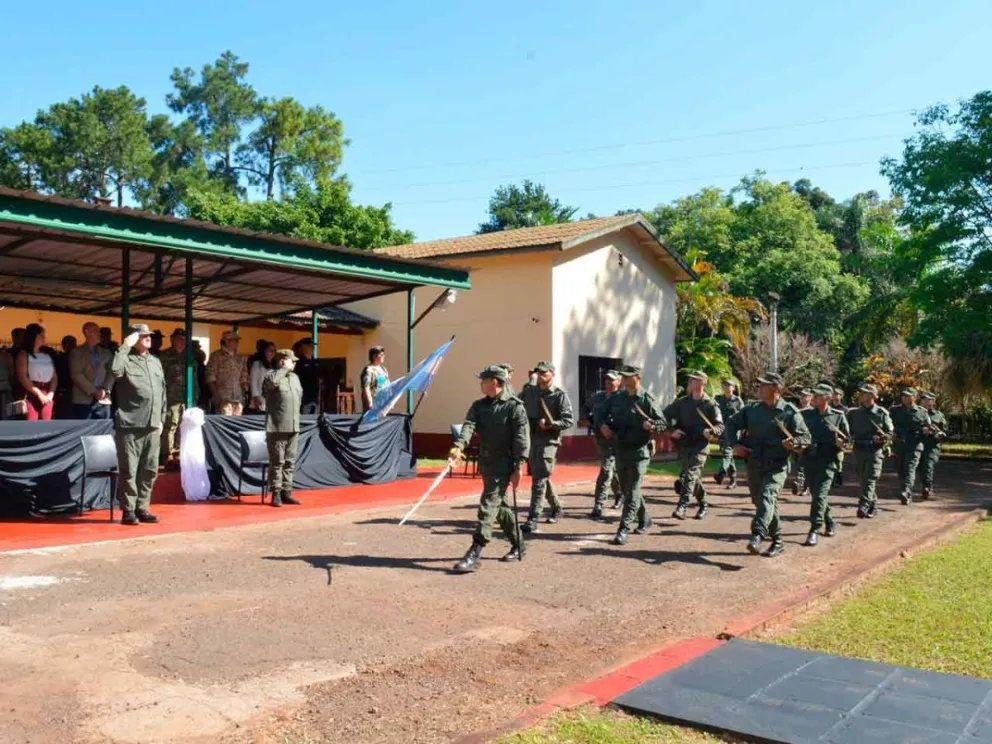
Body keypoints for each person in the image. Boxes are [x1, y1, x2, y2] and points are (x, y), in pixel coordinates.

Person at [449, 365, 530, 572]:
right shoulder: (479, 406)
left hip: (505, 464)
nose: (480, 383)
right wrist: (459, 446)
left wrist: (519, 467)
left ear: (495, 381)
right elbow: (469, 425)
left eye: (484, 379)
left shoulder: (514, 407)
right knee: (501, 507)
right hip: (487, 464)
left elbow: (521, 439)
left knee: (488, 505)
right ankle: (519, 542)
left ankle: (475, 551)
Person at [725, 372, 811, 557]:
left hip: (777, 465)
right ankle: (778, 540)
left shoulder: (789, 412)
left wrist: (794, 443)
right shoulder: (751, 409)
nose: (759, 388)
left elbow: (805, 437)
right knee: (762, 502)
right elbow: (731, 424)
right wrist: (735, 444)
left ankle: (757, 536)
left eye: (763, 385)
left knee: (767, 496)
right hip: (754, 463)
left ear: (775, 388)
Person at [111, 324, 167, 525]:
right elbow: (115, 370)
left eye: (149, 336)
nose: (148, 338)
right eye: (143, 336)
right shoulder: (125, 359)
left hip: (152, 424)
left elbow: (162, 392)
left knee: (150, 469)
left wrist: (161, 418)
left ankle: (142, 507)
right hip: (131, 424)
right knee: (129, 470)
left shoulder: (155, 362)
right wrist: (125, 346)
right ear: (133, 339)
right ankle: (128, 510)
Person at [606, 365, 666, 546]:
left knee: (631, 492)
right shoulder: (617, 398)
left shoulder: (647, 399)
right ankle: (645, 518)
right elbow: (602, 411)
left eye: (627, 376)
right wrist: (602, 425)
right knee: (626, 490)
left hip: (640, 452)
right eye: (622, 376)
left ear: (637, 377)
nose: (623, 379)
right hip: (621, 450)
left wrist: (653, 426)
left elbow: (662, 422)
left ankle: (623, 529)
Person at [520, 361, 574, 533]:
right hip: (531, 439)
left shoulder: (559, 395)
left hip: (548, 440)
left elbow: (568, 420)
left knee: (539, 479)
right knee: (539, 475)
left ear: (552, 374)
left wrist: (551, 424)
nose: (541, 376)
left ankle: (533, 517)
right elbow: (516, 405)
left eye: (544, 373)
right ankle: (557, 508)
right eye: (539, 373)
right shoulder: (529, 391)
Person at [665, 371, 724, 520]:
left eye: (693, 380)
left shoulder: (710, 404)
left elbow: (719, 426)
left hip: (700, 446)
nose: (689, 382)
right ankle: (703, 503)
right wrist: (672, 431)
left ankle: (682, 506)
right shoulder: (682, 402)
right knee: (691, 478)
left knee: (690, 474)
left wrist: (711, 431)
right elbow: (663, 415)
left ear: (701, 383)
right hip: (684, 445)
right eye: (690, 379)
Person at [800, 383, 850, 546]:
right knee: (817, 495)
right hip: (810, 459)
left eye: (817, 395)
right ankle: (829, 521)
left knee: (820, 495)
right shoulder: (806, 415)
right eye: (813, 395)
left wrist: (841, 442)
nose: (813, 398)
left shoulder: (838, 416)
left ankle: (814, 529)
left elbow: (848, 441)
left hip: (828, 461)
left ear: (827, 398)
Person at [262, 349, 304, 507]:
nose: (294, 363)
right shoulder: (272, 375)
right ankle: (276, 493)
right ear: (282, 361)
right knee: (277, 462)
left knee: (289, 462)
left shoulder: (295, 378)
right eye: (291, 360)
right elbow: (270, 385)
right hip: (278, 426)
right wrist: (283, 369)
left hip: (293, 425)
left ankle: (287, 491)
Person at [847, 384, 895, 519]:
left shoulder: (881, 413)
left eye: (865, 393)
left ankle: (863, 505)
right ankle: (873, 503)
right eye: (861, 393)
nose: (862, 395)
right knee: (863, 479)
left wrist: (882, 438)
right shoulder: (853, 413)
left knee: (870, 478)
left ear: (873, 396)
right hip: (858, 450)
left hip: (875, 451)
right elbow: (847, 432)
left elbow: (890, 433)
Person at [584, 370, 621, 519]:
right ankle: (614, 495)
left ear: (619, 382)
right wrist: (589, 420)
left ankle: (600, 503)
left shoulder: (622, 398)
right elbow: (586, 408)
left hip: (618, 439)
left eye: (611, 380)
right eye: (606, 380)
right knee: (609, 468)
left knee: (608, 469)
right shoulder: (598, 397)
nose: (608, 383)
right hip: (602, 439)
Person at [159, 329, 198, 467]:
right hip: (172, 397)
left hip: (187, 398)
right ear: (172, 340)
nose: (181, 341)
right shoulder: (165, 356)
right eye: (178, 338)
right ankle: (168, 453)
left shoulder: (190, 356)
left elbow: (194, 377)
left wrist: (195, 395)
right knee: (171, 425)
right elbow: (160, 378)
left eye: (183, 339)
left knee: (185, 425)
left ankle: (180, 451)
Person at [890, 387, 932, 505]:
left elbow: (929, 428)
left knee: (910, 468)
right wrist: (891, 434)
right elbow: (887, 425)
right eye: (904, 396)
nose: (906, 398)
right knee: (901, 470)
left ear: (915, 397)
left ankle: (906, 491)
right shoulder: (894, 411)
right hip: (899, 445)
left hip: (915, 445)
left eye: (909, 396)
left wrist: (926, 431)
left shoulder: (922, 412)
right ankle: (906, 491)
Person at [69, 323, 114, 420]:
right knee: (84, 432)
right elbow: (76, 375)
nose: (99, 334)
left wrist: (105, 389)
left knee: (104, 431)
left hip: (103, 399)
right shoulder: (77, 352)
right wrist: (93, 391)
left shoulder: (107, 353)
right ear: (87, 332)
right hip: (83, 400)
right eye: (96, 331)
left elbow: (112, 373)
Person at [15, 323, 58, 421]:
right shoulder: (23, 355)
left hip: (47, 392)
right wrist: (39, 395)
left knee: (46, 423)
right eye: (41, 335)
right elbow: (23, 377)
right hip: (31, 393)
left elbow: (54, 376)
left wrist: (51, 393)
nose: (44, 337)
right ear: (33, 337)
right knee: (31, 423)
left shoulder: (47, 355)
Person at [206, 330, 247, 415]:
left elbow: (244, 378)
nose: (237, 342)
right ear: (227, 341)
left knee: (237, 425)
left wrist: (243, 395)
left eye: (237, 340)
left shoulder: (239, 358)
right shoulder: (216, 356)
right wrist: (216, 396)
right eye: (235, 340)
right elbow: (210, 377)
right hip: (223, 399)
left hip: (237, 399)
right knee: (225, 424)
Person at [917, 392, 947, 500]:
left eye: (928, 400)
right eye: (923, 400)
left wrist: (939, 434)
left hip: (932, 446)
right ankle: (926, 484)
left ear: (933, 402)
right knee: (920, 467)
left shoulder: (939, 415)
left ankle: (927, 487)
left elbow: (944, 431)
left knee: (928, 465)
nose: (925, 402)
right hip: (918, 445)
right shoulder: (917, 413)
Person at [714, 379, 743, 488]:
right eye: (724, 385)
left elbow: (743, 416)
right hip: (721, 431)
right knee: (728, 455)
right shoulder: (718, 399)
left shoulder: (738, 401)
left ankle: (721, 473)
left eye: (729, 385)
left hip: (733, 432)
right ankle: (733, 480)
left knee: (727, 452)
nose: (726, 387)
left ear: (733, 388)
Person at [790, 388, 814, 497]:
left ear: (810, 398)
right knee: (798, 464)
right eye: (802, 396)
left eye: (805, 396)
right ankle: (801, 485)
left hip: (809, 443)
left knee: (805, 465)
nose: (803, 398)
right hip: (797, 442)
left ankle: (805, 486)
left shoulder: (813, 412)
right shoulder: (796, 411)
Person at [293, 338, 322, 415]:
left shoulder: (316, 362)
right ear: (303, 347)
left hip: (315, 398)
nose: (312, 348)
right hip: (303, 399)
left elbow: (319, 379)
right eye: (309, 346)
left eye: (313, 346)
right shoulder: (298, 362)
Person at [359, 345, 389, 413]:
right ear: (374, 356)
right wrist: (370, 403)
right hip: (373, 404)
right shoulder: (368, 370)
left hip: (383, 404)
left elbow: (387, 385)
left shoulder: (383, 369)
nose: (383, 356)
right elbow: (366, 387)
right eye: (381, 355)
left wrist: (389, 401)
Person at [249, 342, 276, 414]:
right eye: (270, 351)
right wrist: (255, 398)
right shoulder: (257, 364)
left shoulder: (275, 365)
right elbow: (253, 381)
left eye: (274, 351)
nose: (272, 353)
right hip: (259, 400)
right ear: (264, 351)